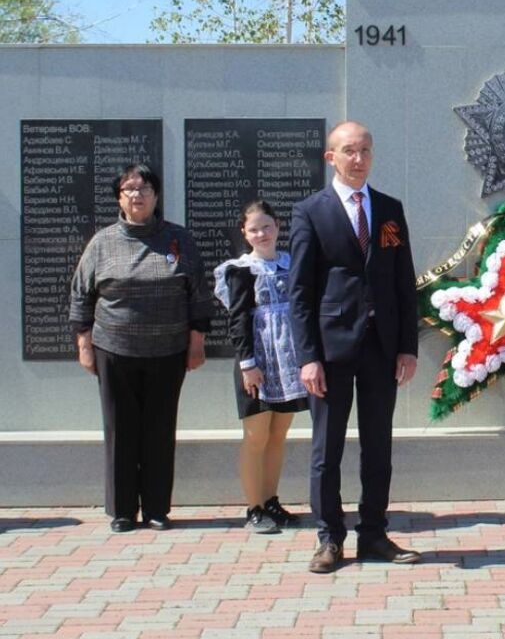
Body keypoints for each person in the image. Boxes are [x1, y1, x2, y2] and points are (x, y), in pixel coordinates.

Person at [289, 121, 421, 573]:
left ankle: (374, 534)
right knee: (327, 451)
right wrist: (307, 357)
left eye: (365, 149)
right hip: (331, 352)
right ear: (331, 157)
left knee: (378, 447)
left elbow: (403, 280)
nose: (359, 158)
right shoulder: (311, 211)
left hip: (381, 348)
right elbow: (300, 292)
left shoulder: (388, 209)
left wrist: (408, 346)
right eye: (349, 150)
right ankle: (329, 538)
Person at [69, 163, 213, 533]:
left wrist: (196, 341)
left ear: (156, 195)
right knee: (120, 429)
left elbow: (198, 294)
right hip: (114, 349)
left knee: (159, 429)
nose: (137, 195)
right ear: (119, 197)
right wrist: (84, 343)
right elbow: (81, 295)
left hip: (168, 351)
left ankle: (156, 508)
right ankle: (121, 510)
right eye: (129, 189)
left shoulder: (179, 239)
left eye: (144, 188)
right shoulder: (102, 242)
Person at [214, 201, 307, 535]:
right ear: (244, 232)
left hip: (287, 365)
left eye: (266, 226)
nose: (261, 234)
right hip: (255, 364)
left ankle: (271, 500)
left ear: (277, 227)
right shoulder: (240, 270)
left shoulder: (291, 264)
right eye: (254, 228)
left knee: (278, 436)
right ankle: (254, 507)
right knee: (256, 436)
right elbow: (238, 320)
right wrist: (248, 364)